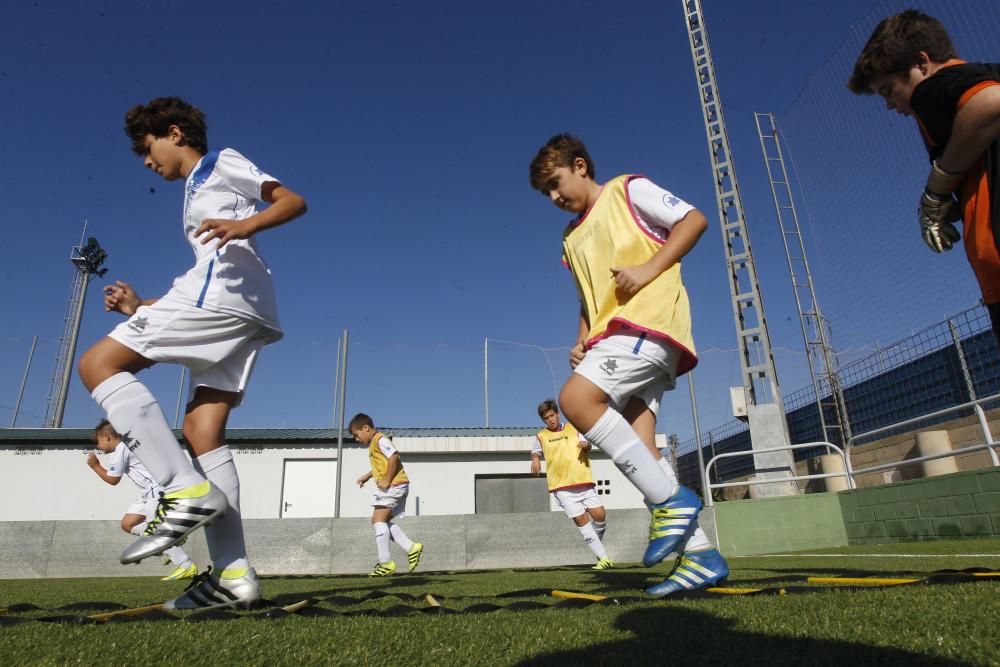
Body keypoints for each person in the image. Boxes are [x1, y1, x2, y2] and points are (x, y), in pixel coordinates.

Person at [77, 96, 307, 610]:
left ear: (174, 132)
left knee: (97, 365)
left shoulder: (219, 163)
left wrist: (244, 226)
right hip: (239, 309)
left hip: (224, 300)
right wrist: (142, 306)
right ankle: (233, 575)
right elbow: (200, 279)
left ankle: (183, 489)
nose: (145, 159)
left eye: (146, 146)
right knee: (202, 431)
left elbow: (292, 200)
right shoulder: (194, 191)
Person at [528, 133, 729, 596]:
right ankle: (701, 556)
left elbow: (694, 220)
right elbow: (586, 296)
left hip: (646, 323)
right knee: (643, 447)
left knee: (575, 400)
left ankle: (673, 504)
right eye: (547, 194)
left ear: (580, 166)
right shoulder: (570, 236)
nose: (555, 197)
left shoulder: (627, 189)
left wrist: (647, 268)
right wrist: (580, 341)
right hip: (614, 338)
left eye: (557, 183)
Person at [848, 9, 1000, 346]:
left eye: (888, 89)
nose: (889, 104)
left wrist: (936, 189)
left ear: (921, 63)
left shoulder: (931, 90)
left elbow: (992, 104)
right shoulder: (984, 74)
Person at [87, 419, 198, 580]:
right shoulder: (129, 445)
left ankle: (185, 565)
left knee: (156, 532)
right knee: (128, 523)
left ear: (107, 436)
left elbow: (113, 480)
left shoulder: (121, 449)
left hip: (156, 492)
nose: (98, 446)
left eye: (98, 441)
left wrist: (95, 465)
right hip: (148, 493)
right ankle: (170, 539)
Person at [532, 399, 612, 570]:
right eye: (546, 418)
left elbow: (587, 444)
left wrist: (586, 445)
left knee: (600, 516)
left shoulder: (574, 428)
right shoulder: (541, 436)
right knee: (582, 521)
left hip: (583, 481)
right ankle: (603, 558)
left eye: (552, 416)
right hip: (561, 487)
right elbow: (536, 451)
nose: (550, 420)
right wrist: (535, 460)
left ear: (558, 414)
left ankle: (596, 547)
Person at [350, 413, 424, 577]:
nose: (356, 439)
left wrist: (387, 480)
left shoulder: (380, 439)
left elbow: (394, 457)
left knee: (377, 520)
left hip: (394, 485)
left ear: (366, 428)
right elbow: (381, 465)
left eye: (356, 435)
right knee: (381, 522)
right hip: (395, 485)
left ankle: (386, 563)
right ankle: (412, 548)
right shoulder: (374, 444)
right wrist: (367, 476)